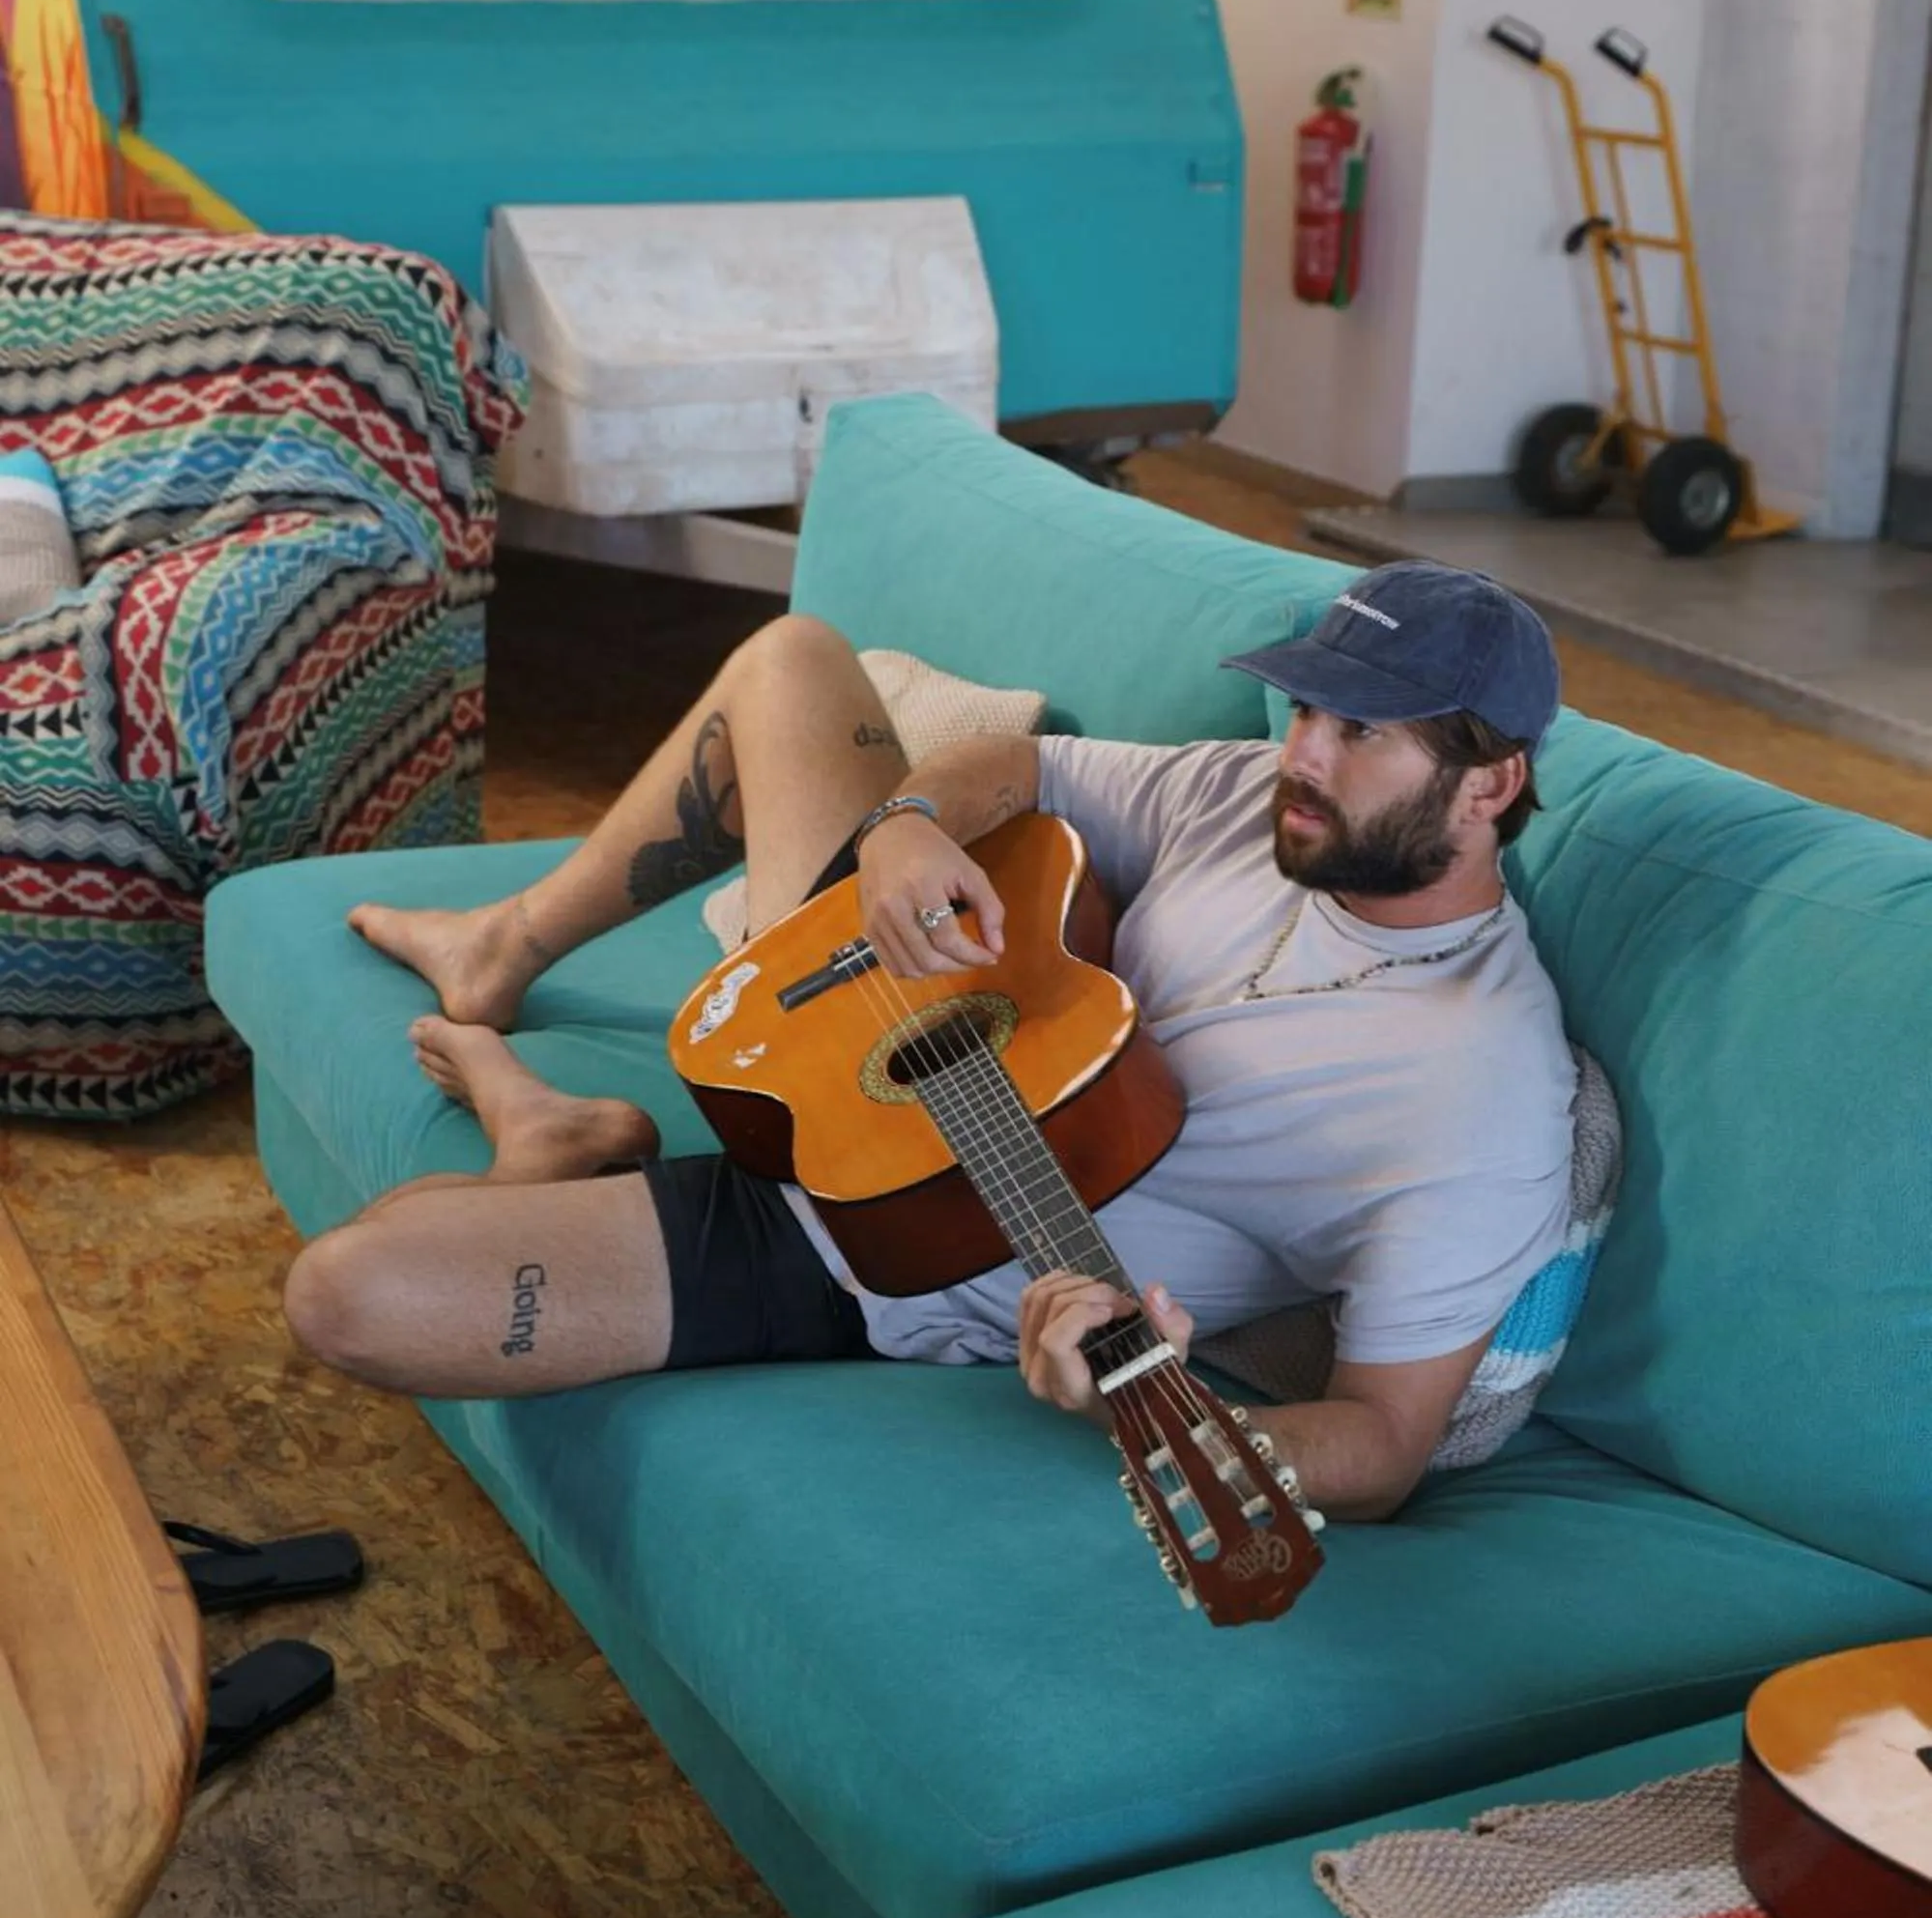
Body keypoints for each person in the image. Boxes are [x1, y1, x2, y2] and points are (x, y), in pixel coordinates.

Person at [289, 561, 1575, 1526]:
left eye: (1355, 732)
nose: (1297, 753)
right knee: (791, 656)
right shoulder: (1259, 799)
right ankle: (504, 945)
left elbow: (1383, 1440)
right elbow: (1022, 764)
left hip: (881, 1244)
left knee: (345, 1292)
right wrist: (905, 823)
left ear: (1488, 784)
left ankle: (553, 1143)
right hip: (866, 1010)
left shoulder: (1478, 1089)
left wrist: (1149, 1405)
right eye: (1301, 708)